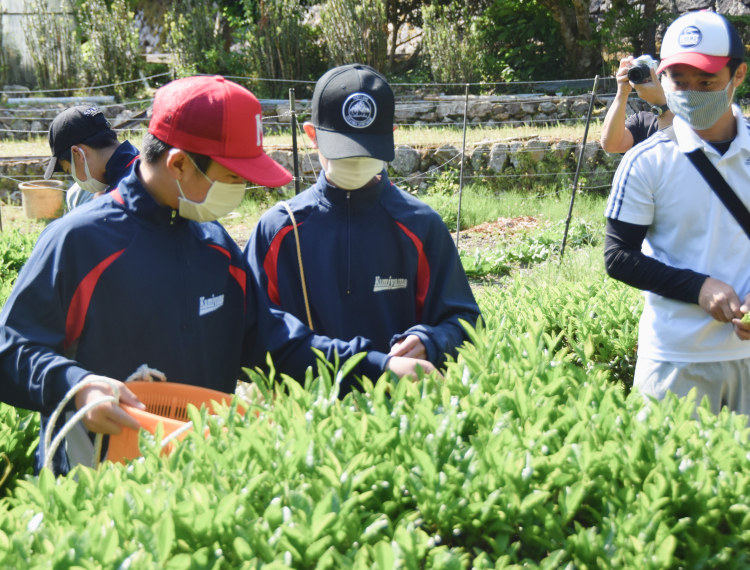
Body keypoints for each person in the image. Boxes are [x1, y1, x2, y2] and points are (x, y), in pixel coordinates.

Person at [0, 75, 433, 475]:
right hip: (95, 489)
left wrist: (379, 368)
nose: (239, 192)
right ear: (179, 164)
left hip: (199, 481)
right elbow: (10, 352)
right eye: (231, 177)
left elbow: (277, 343)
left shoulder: (215, 246)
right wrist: (77, 386)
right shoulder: (79, 242)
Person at [246, 64, 480, 395]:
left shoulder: (421, 225)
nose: (356, 160)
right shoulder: (278, 231)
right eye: (345, 150)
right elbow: (254, 336)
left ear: (392, 136)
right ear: (312, 135)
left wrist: (431, 340)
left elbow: (465, 321)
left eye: (367, 150)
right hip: (302, 425)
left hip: (402, 416)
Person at [604, 11, 750, 416]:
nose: (691, 92)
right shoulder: (645, 161)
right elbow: (618, 256)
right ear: (662, 78)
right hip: (674, 359)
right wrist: (698, 287)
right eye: (679, 81)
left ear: (737, 76)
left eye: (706, 82)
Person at [44, 105, 139, 210]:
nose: (75, 179)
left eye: (69, 171)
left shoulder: (124, 195)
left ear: (79, 154)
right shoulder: (141, 166)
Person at [601, 56, 674, 153]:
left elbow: (677, 153)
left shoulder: (697, 124)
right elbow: (611, 145)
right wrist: (622, 93)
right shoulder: (643, 122)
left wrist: (660, 104)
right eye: (665, 73)